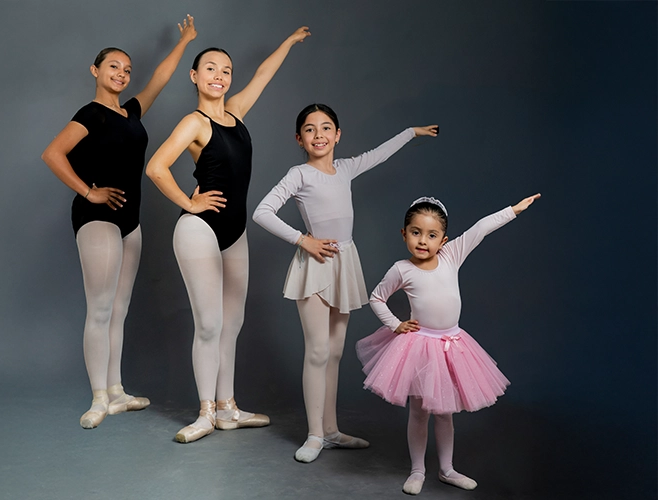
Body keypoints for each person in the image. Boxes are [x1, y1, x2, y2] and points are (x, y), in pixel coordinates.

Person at [145, 27, 311, 443]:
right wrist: (189, 202)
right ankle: (204, 413)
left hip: (234, 232)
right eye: (210, 70)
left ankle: (228, 408)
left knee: (232, 323)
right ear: (195, 77)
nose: (219, 76)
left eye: (226, 70)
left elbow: (263, 76)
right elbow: (156, 167)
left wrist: (287, 43)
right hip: (199, 229)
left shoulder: (235, 111)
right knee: (209, 324)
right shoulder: (193, 122)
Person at [252, 103, 438, 462]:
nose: (318, 135)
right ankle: (313, 434)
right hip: (316, 264)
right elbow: (262, 211)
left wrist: (411, 132)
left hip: (344, 262)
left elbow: (378, 155)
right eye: (309, 129)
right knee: (318, 351)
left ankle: (332, 430)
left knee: (335, 353)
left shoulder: (347, 168)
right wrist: (302, 239)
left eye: (325, 128)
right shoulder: (299, 174)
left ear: (338, 135)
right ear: (299, 138)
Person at [41, 16, 197, 429]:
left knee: (120, 308)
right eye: (114, 66)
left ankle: (116, 391)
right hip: (96, 217)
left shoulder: (129, 112)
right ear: (96, 71)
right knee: (101, 307)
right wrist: (88, 190)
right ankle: (97, 399)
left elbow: (159, 81)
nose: (122, 74)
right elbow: (53, 154)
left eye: (127, 70)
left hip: (130, 220)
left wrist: (185, 41)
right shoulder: (90, 114)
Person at [356, 194, 540, 494]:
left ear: (444, 240)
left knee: (444, 412)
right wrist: (395, 324)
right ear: (404, 234)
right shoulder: (401, 269)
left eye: (431, 235)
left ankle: (447, 469)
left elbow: (480, 228)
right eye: (415, 232)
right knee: (419, 412)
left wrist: (513, 210)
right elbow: (376, 297)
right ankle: (417, 471)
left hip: (452, 345)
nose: (423, 241)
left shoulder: (452, 255)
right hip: (418, 347)